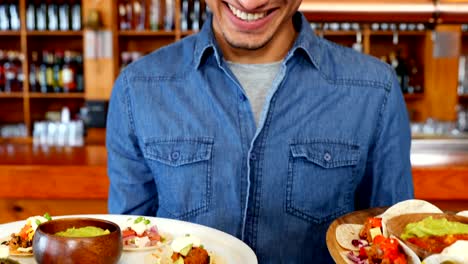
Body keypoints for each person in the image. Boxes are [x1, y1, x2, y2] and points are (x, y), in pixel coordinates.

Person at [106, 0, 414, 263]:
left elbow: (393, 242)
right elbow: (128, 245)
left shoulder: (376, 90)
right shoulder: (137, 89)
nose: (250, 3)